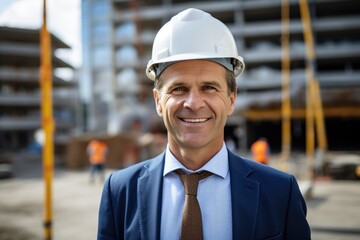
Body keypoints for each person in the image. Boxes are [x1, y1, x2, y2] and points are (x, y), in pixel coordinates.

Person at [98, 8, 310, 240]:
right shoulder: (119, 191)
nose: (194, 103)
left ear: (231, 99)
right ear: (158, 102)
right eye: (179, 88)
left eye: (209, 87)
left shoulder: (280, 191)